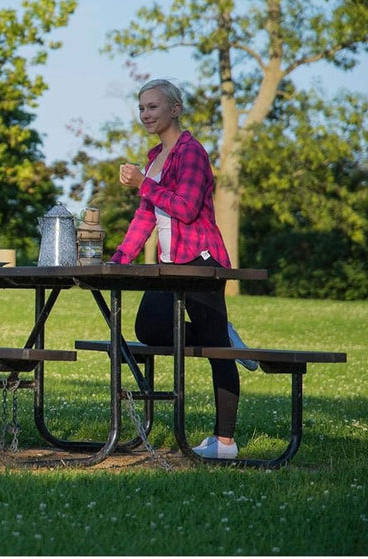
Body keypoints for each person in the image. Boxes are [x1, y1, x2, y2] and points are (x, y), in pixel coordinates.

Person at [110, 79, 256, 460]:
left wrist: (144, 184)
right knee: (149, 328)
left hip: (201, 262)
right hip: (169, 264)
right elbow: (146, 216)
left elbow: (187, 207)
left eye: (153, 107)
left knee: (217, 353)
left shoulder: (191, 153)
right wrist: (118, 260)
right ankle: (222, 333)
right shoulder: (155, 155)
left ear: (174, 109)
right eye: (142, 107)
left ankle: (225, 443)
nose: (145, 114)